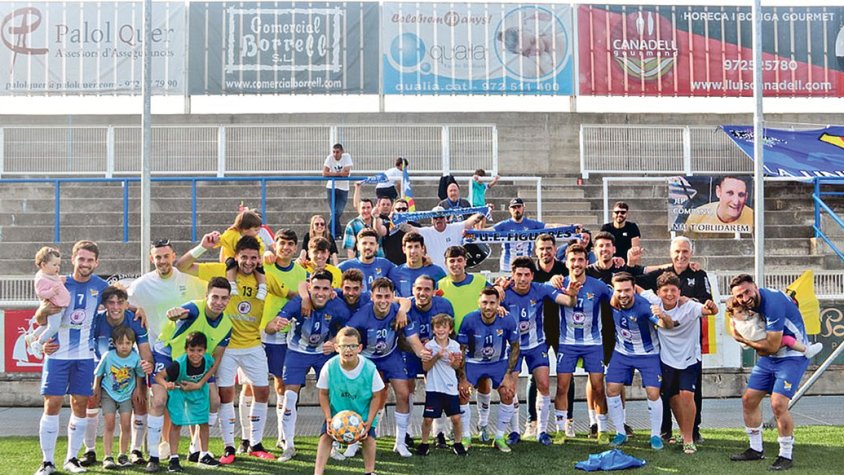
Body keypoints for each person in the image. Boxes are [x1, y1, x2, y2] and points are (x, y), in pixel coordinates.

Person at [176, 233, 285, 463]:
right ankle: (228, 447)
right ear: (235, 257)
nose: (248, 262)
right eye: (243, 257)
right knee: (226, 395)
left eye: (253, 258)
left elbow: (293, 294)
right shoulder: (220, 271)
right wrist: (202, 247)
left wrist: (289, 311)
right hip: (225, 347)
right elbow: (182, 265)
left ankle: (254, 443)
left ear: (259, 259)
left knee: (263, 391)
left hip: (254, 344)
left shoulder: (266, 277)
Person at [127, 239, 207, 470]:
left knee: (192, 398)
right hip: (159, 351)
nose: (162, 261)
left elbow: (213, 296)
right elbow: (120, 300)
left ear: (173, 256)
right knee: (159, 399)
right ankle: (153, 453)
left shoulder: (189, 280)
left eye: (166, 256)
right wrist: (136, 308)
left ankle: (194, 448)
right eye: (158, 257)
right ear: (152, 259)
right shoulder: (142, 285)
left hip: (188, 352)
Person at [33, 240, 108, 475]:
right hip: (57, 355)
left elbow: (123, 302)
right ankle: (47, 462)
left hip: (85, 356)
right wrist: (41, 315)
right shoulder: (59, 282)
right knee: (52, 404)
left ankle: (72, 459)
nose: (85, 264)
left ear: (96, 263)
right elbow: (40, 315)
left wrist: (141, 310)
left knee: (81, 404)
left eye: (90, 260)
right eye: (81, 259)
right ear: (73, 259)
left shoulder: (102, 286)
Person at [728, 274, 813, 471]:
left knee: (778, 404)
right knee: (748, 400)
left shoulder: (772, 303)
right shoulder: (747, 304)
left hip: (792, 355)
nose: (744, 298)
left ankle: (785, 454)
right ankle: (756, 449)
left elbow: (772, 346)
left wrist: (743, 340)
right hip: (770, 357)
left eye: (747, 292)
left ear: (756, 287)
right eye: (739, 296)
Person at [270, 271, 352, 462]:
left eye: (325, 288)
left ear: (332, 290)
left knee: (333, 395)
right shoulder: (298, 302)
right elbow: (270, 325)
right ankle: (288, 445)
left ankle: (331, 443)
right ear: (309, 287)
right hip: (297, 352)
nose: (321, 293)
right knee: (290, 396)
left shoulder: (337, 305)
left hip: (323, 353)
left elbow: (349, 330)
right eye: (316, 288)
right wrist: (274, 325)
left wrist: (335, 341)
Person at [346, 277, 430, 458]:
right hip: (367, 358)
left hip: (391, 356)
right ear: (371, 297)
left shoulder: (399, 312)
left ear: (393, 296)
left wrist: (427, 353)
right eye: (379, 296)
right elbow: (346, 334)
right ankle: (354, 441)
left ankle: (400, 443)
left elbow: (414, 341)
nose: (383, 300)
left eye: (386, 296)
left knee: (403, 393)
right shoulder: (363, 313)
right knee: (360, 397)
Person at [639, 236, 711, 444]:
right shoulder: (661, 274)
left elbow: (708, 302)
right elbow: (635, 278)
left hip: (690, 344)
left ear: (691, 253)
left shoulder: (699, 274)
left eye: (685, 252)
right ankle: (665, 430)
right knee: (666, 389)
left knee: (691, 391)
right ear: (671, 253)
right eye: (677, 252)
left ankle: (693, 430)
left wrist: (688, 300)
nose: (681, 256)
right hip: (663, 343)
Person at [157, 277, 233, 468]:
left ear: (229, 300)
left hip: (199, 367)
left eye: (224, 298)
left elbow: (216, 360)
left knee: (213, 401)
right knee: (163, 404)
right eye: (215, 297)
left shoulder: (227, 325)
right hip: (170, 357)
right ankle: (154, 452)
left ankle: (197, 449)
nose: (219, 302)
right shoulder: (194, 308)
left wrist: (200, 383)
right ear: (206, 296)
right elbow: (183, 313)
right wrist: (175, 314)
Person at [498, 256, 572, 446]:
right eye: (519, 274)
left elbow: (566, 301)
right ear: (512, 275)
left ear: (532, 276)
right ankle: (514, 431)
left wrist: (571, 295)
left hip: (537, 345)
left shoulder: (541, 288)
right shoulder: (504, 293)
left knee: (544, 385)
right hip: (513, 347)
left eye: (526, 275)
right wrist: (497, 291)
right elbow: (485, 301)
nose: (522, 279)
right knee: (509, 389)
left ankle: (542, 431)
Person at [85, 286, 153, 467]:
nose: (115, 307)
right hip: (100, 368)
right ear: (105, 304)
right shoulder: (95, 320)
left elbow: (145, 352)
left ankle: (135, 450)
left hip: (128, 373)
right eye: (111, 302)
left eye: (120, 302)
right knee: (90, 401)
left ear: (126, 304)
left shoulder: (136, 320)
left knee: (140, 400)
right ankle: (90, 450)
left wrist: (147, 367)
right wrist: (95, 383)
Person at [554, 245, 613, 445]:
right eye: (573, 260)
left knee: (598, 386)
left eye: (580, 260)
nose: (576, 264)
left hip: (593, 343)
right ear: (566, 262)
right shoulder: (558, 283)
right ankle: (561, 430)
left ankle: (602, 429)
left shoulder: (598, 286)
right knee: (562, 387)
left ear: (586, 262)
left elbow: (618, 299)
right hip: (567, 343)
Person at [260, 229, 309, 450]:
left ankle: (282, 435)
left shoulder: (300, 271)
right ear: (275, 245)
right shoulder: (265, 264)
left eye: (291, 244)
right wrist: (263, 256)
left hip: (286, 335)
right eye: (282, 243)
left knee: (283, 384)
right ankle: (248, 440)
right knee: (254, 387)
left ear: (296, 248)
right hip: (259, 331)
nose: (286, 247)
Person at [605, 272, 665, 450]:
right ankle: (620, 432)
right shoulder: (611, 299)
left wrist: (663, 318)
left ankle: (655, 435)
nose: (623, 294)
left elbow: (660, 323)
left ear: (634, 289)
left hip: (648, 354)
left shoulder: (645, 305)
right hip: (622, 353)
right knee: (612, 389)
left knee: (654, 393)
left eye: (627, 290)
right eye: (619, 291)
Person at [313, 327, 385, 475]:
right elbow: (323, 393)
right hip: (336, 414)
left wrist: (369, 422)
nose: (348, 350)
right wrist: (328, 418)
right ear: (336, 347)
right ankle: (318, 472)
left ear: (359, 348)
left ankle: (369, 471)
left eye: (352, 346)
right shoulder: (330, 367)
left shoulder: (370, 368)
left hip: (362, 414)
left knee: (369, 438)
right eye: (344, 345)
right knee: (326, 436)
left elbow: (378, 396)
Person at [457, 288, 520, 453]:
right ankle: (465, 436)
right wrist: (462, 378)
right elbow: (461, 349)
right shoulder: (469, 319)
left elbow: (515, 347)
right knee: (462, 392)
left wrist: (508, 375)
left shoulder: (507, 319)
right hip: (474, 362)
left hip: (498, 363)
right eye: (485, 302)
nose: (488, 307)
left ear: (498, 303)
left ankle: (499, 437)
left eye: (492, 303)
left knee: (508, 392)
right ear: (479, 303)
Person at [525, 234, 572, 439]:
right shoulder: (530, 272)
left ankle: (568, 421)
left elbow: (580, 280)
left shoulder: (564, 269)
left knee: (566, 375)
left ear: (555, 250)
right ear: (536, 251)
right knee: (534, 377)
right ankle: (532, 422)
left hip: (562, 330)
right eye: (541, 248)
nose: (545, 252)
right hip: (537, 331)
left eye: (548, 248)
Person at [156, 331, 221, 471]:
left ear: (204, 350)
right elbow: (158, 377)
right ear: (186, 349)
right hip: (179, 394)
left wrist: (200, 384)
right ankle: (173, 459)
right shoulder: (178, 365)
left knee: (204, 423)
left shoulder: (208, 360)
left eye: (199, 350)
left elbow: (212, 368)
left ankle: (204, 455)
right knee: (176, 424)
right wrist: (166, 384)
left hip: (198, 393)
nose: (195, 354)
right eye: (192, 350)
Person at [405, 275, 455, 448]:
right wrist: (422, 349)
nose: (422, 293)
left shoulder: (444, 305)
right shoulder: (405, 306)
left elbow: (450, 332)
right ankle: (407, 432)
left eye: (427, 289)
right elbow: (406, 337)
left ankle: (439, 432)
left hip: (436, 351)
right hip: (409, 351)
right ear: (413, 289)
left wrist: (436, 347)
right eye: (419, 288)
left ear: (434, 291)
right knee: (406, 389)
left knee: (438, 387)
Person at [92, 326, 146, 469]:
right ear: (114, 343)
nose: (124, 346)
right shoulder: (108, 356)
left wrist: (139, 390)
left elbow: (140, 374)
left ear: (132, 344)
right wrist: (96, 388)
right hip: (109, 393)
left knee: (126, 424)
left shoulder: (135, 358)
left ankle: (123, 455)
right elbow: (98, 373)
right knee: (109, 423)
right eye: (121, 343)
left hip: (126, 395)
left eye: (128, 343)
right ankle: (107, 456)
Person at [417, 314, 467, 456]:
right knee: (428, 419)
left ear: (450, 330)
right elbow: (425, 368)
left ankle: (458, 443)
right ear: (433, 329)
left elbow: (457, 366)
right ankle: (424, 443)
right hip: (434, 387)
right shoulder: (428, 346)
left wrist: (453, 361)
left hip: (450, 388)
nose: (440, 330)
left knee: (456, 418)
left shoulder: (455, 346)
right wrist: (437, 356)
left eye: (444, 327)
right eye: (437, 327)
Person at [726, 297, 822, 357]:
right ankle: (806, 350)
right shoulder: (742, 326)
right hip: (764, 341)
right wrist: (757, 317)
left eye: (745, 310)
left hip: (763, 341)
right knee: (787, 339)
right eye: (740, 312)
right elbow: (756, 334)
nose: (744, 313)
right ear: (732, 315)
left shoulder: (742, 321)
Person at [404, 206, 484, 268]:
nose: (438, 220)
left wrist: (483, 211)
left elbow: (471, 222)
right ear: (432, 220)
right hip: (435, 276)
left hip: (454, 274)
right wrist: (395, 220)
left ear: (446, 218)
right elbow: (409, 228)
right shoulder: (425, 232)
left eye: (441, 217)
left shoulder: (455, 228)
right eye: (435, 218)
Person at [27, 246, 70, 360]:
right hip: (54, 307)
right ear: (43, 265)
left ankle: (33, 336)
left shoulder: (51, 275)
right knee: (53, 327)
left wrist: (61, 280)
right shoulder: (41, 279)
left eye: (58, 265)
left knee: (46, 325)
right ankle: (38, 343)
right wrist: (51, 292)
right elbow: (41, 293)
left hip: (60, 305)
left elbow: (56, 281)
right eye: (54, 265)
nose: (57, 268)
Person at [438, 245, 490, 331]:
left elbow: (494, 297)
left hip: (477, 334)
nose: (456, 264)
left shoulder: (480, 281)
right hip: (451, 337)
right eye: (452, 261)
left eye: (459, 260)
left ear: (465, 261)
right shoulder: (440, 285)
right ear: (445, 263)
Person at [219, 209, 269, 299]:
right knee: (231, 264)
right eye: (256, 230)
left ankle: (262, 286)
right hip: (231, 257)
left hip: (244, 261)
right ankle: (231, 283)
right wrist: (215, 238)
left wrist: (260, 258)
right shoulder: (232, 234)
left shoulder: (255, 238)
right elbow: (221, 240)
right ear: (245, 229)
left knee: (259, 267)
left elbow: (261, 247)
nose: (257, 233)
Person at [492, 197, 546, 272]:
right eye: (513, 207)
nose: (516, 209)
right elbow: (487, 231)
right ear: (509, 209)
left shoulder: (532, 224)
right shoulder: (504, 225)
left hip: (526, 265)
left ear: (523, 207)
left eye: (519, 207)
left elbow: (550, 226)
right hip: (507, 266)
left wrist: (567, 227)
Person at [387, 232, 446, 297]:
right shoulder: (394, 273)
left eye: (416, 246)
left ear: (422, 248)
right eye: (409, 247)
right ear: (404, 249)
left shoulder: (437, 271)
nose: (413, 251)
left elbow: (444, 295)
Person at [686, 175, 753, 228]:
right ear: (718, 192)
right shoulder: (697, 217)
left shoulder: (754, 218)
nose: (736, 202)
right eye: (730, 193)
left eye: (741, 195)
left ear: (746, 197)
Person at [323, 143, 353, 237]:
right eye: (334, 152)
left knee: (338, 211)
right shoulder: (329, 158)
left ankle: (328, 229)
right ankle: (337, 233)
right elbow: (324, 173)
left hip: (343, 188)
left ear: (342, 152)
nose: (335, 154)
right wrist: (339, 174)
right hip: (331, 187)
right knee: (334, 212)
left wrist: (332, 173)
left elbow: (346, 173)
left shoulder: (347, 157)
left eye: (337, 152)